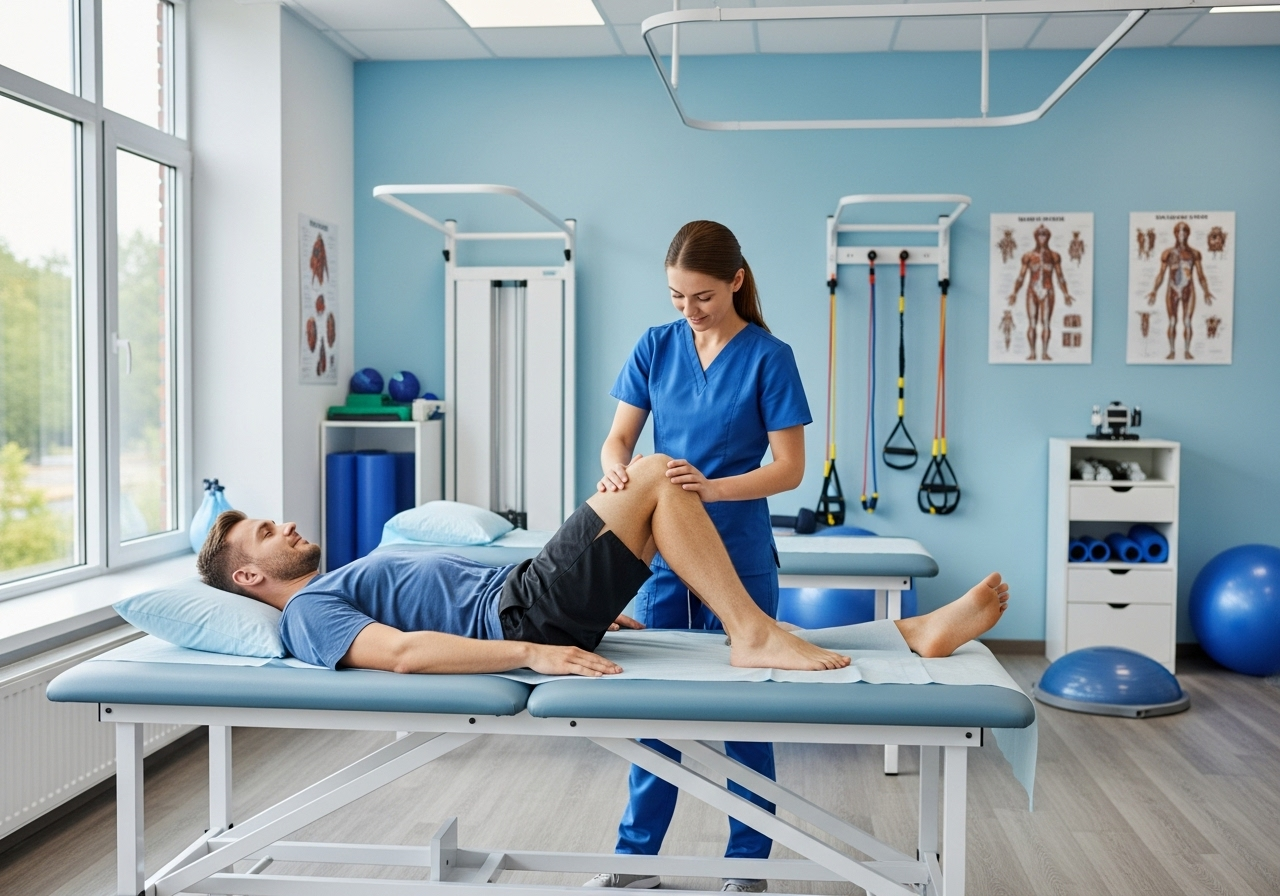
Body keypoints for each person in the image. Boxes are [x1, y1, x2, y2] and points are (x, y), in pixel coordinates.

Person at [197, 454, 1009, 679]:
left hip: (529, 601)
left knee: (659, 485)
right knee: (655, 474)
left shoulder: (338, 578)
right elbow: (405, 654)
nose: (289, 525)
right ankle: (754, 635)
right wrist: (533, 649)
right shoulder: (308, 616)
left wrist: (585, 611)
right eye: (268, 532)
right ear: (248, 579)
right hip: (520, 617)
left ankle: (905, 632)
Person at [594, 221, 809, 892]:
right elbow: (617, 440)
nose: (689, 311)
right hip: (665, 556)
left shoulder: (771, 357)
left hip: (739, 552)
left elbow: (790, 468)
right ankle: (638, 863)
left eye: (703, 297)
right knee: (655, 714)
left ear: (736, 282)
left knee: (745, 716)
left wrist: (713, 488)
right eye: (676, 297)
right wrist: (616, 475)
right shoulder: (656, 347)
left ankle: (747, 867)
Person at [1145, 220, 1214, 361]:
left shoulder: (1195, 253)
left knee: (1187, 321)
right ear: (1175, 233)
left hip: (1189, 289)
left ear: (1188, 233)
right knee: (1172, 321)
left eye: (1184, 231)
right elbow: (1161, 274)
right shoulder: (1168, 253)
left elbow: (1201, 275)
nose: (1182, 233)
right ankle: (1172, 351)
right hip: (1172, 289)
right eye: (1179, 231)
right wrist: (1154, 290)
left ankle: (1187, 351)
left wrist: (1206, 290)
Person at [1007, 224, 1073, 362]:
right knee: (1032, 323)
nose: (1042, 237)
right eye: (1039, 235)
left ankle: (1044, 353)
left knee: (1046, 323)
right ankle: (1032, 353)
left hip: (1048, 290)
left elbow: (1060, 276)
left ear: (1048, 237)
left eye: (1044, 235)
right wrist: (1014, 292)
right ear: (1035, 237)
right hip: (1032, 291)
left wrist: (1066, 293)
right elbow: (1021, 276)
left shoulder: (1054, 256)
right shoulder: (1028, 256)